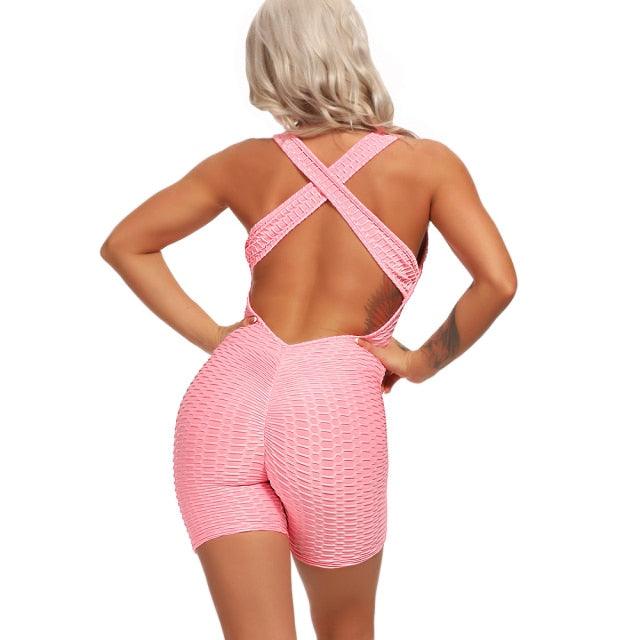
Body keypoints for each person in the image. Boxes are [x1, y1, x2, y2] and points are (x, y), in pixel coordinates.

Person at [100, 0, 517, 637]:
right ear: (353, 51)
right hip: (331, 412)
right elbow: (498, 281)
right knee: (345, 627)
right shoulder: (426, 164)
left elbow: (126, 244)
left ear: (268, 65)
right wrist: (417, 363)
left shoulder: (243, 163)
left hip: (226, 401)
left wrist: (216, 337)